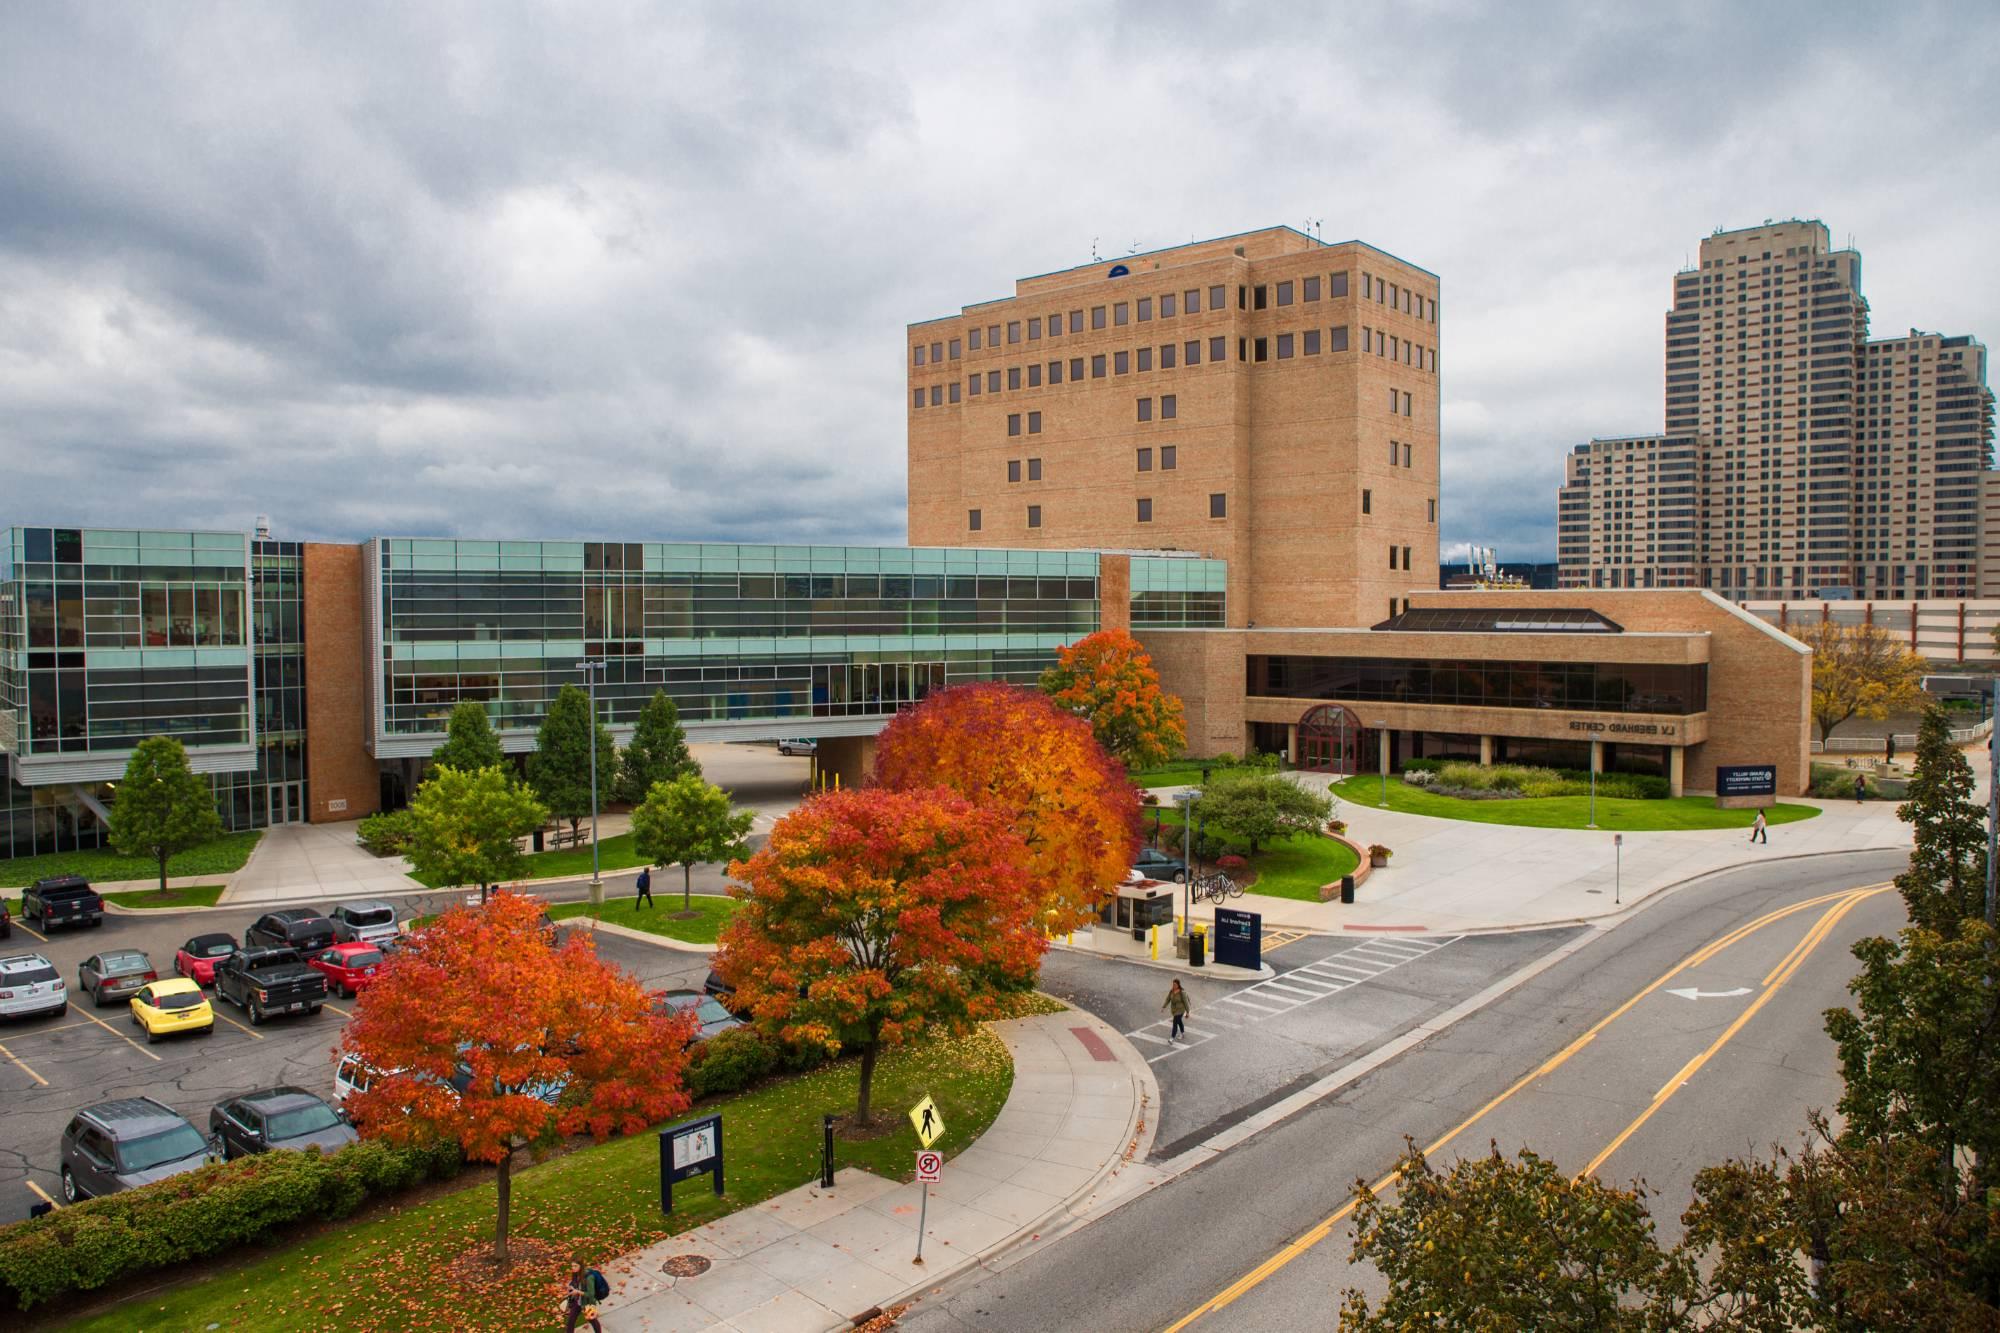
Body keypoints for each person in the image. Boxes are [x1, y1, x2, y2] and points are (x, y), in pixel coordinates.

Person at [564, 1260, 606, 1332]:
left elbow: (590, 1294)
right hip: (577, 1301)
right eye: (572, 1266)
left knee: (593, 1321)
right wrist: (570, 1287)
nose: (573, 1268)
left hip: (587, 1303)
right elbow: (574, 1283)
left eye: (575, 1266)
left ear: (581, 1266)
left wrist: (577, 1291)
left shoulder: (589, 1278)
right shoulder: (575, 1273)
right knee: (571, 1321)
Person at [1163, 979, 1190, 1043]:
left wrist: (1187, 1012)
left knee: (1175, 1023)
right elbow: (1168, 999)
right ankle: (1182, 1033)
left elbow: (1186, 1002)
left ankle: (1172, 1038)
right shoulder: (1172, 991)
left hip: (1180, 1010)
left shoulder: (1182, 993)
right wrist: (1164, 1007)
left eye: (1175, 984)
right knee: (1179, 1021)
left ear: (1178, 985)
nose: (1174, 986)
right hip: (1174, 1010)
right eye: (1173, 984)